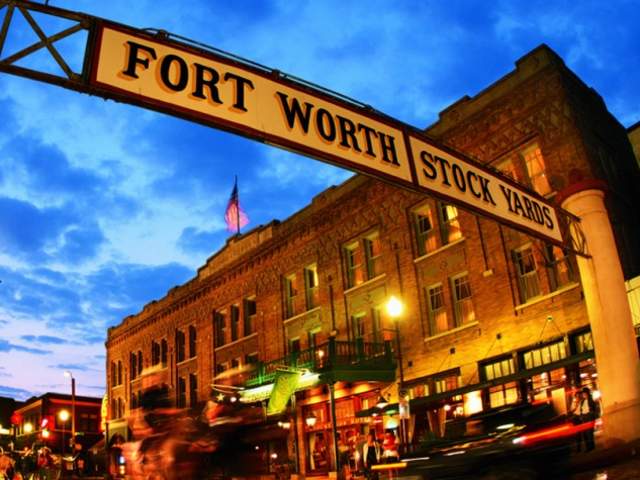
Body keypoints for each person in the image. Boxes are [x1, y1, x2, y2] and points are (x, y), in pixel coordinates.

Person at [577, 387, 598, 452]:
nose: (583, 394)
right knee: (585, 434)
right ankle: (588, 447)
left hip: (589, 417)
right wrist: (580, 415)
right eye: (583, 393)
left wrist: (592, 415)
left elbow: (594, 408)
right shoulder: (582, 401)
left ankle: (591, 447)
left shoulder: (591, 400)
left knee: (589, 433)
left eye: (584, 393)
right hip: (584, 417)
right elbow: (580, 409)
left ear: (587, 393)